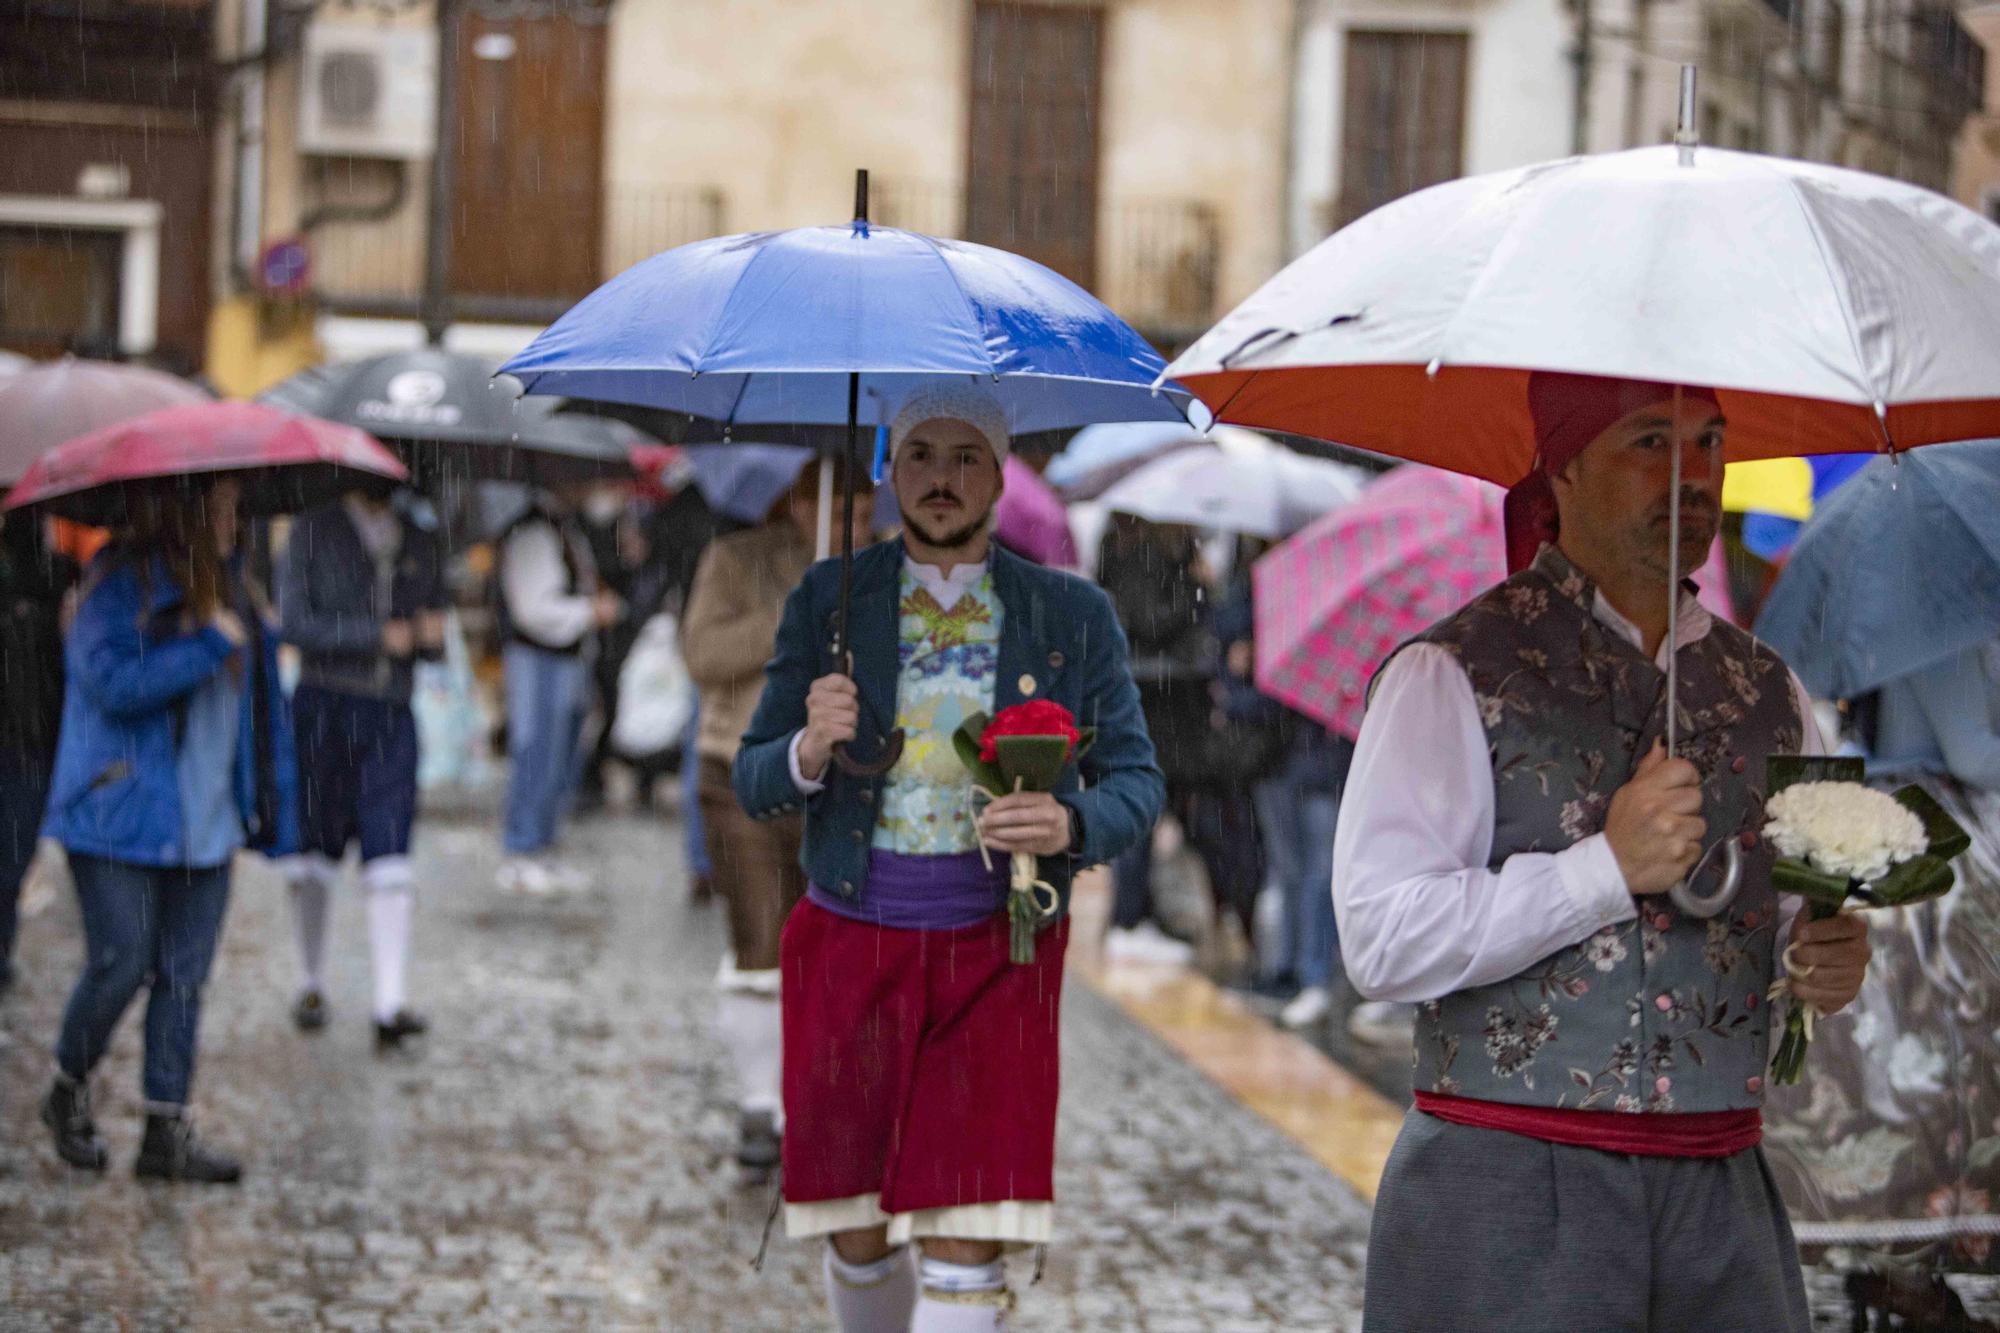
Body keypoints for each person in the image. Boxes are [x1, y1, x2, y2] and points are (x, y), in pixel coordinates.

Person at [1336, 373, 1873, 1331]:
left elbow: (1797, 921)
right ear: (1566, 467)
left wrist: (1822, 958)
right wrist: (1600, 873)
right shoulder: (1449, 672)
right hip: (1505, 1186)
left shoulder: (1773, 690)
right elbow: (1381, 939)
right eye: (1650, 443)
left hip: (1720, 1194)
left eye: (1708, 443)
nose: (1693, 475)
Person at [734, 384, 1163, 1332]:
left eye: (966, 456)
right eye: (921, 454)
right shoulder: (828, 599)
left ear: (1002, 474)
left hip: (996, 960)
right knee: (855, 1223)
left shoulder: (1070, 613)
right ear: (888, 467)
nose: (941, 477)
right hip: (848, 944)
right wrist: (808, 748)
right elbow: (752, 776)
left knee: (971, 1224)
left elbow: (1138, 781)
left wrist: (1068, 823)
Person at [39, 477, 297, 1184]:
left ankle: (165, 1126)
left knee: (184, 977)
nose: (234, 517)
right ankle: (67, 1085)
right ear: (186, 511)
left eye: (237, 504)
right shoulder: (122, 582)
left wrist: (273, 806)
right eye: (221, 504)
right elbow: (107, 681)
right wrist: (204, 644)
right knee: (121, 959)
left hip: (206, 820)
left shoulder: (242, 588)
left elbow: (262, 711)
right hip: (118, 810)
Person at [682, 462, 872, 1174]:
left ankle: (815, 1091)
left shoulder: (884, 571)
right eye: (841, 508)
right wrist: (797, 611)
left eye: (865, 510)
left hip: (844, 782)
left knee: (829, 944)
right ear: (799, 505)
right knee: (761, 934)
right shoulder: (735, 560)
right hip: (740, 770)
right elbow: (703, 655)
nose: (855, 524)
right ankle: (762, 1103)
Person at [277, 484, 445, 1049]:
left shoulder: (419, 532)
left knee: (391, 844)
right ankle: (310, 979)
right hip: (325, 706)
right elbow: (295, 623)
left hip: (392, 711)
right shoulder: (311, 527)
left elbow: (431, 617)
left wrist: (430, 637)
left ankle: (389, 1003)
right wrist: (374, 636)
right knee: (315, 847)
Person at [1097, 515, 1263, 964]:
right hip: (1157, 714)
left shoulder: (1166, 556)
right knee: (1145, 818)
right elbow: (1150, 623)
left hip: (1174, 718)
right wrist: (1195, 588)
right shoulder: (1140, 558)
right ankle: (1130, 919)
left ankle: (1149, 913)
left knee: (1183, 820)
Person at [494, 485, 621, 893]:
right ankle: (522, 847)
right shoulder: (533, 533)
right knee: (536, 752)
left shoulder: (564, 529)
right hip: (539, 659)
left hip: (564, 658)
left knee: (559, 756)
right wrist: (588, 612)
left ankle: (542, 843)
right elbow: (532, 611)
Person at [0, 513, 75, 997]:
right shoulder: (59, 576)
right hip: (32, 737)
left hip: (31, 738)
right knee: (10, 858)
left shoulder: (61, 575)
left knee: (11, 859)